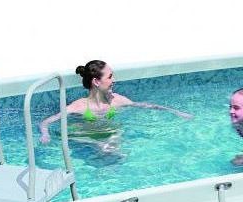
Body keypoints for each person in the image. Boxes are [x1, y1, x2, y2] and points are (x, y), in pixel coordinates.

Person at [39, 60, 192, 144]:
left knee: (114, 143)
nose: (114, 80)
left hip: (110, 137)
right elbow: (46, 122)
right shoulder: (79, 106)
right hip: (87, 138)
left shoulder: (117, 100)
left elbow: (146, 105)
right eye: (110, 77)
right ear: (96, 82)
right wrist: (45, 135)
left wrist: (176, 112)